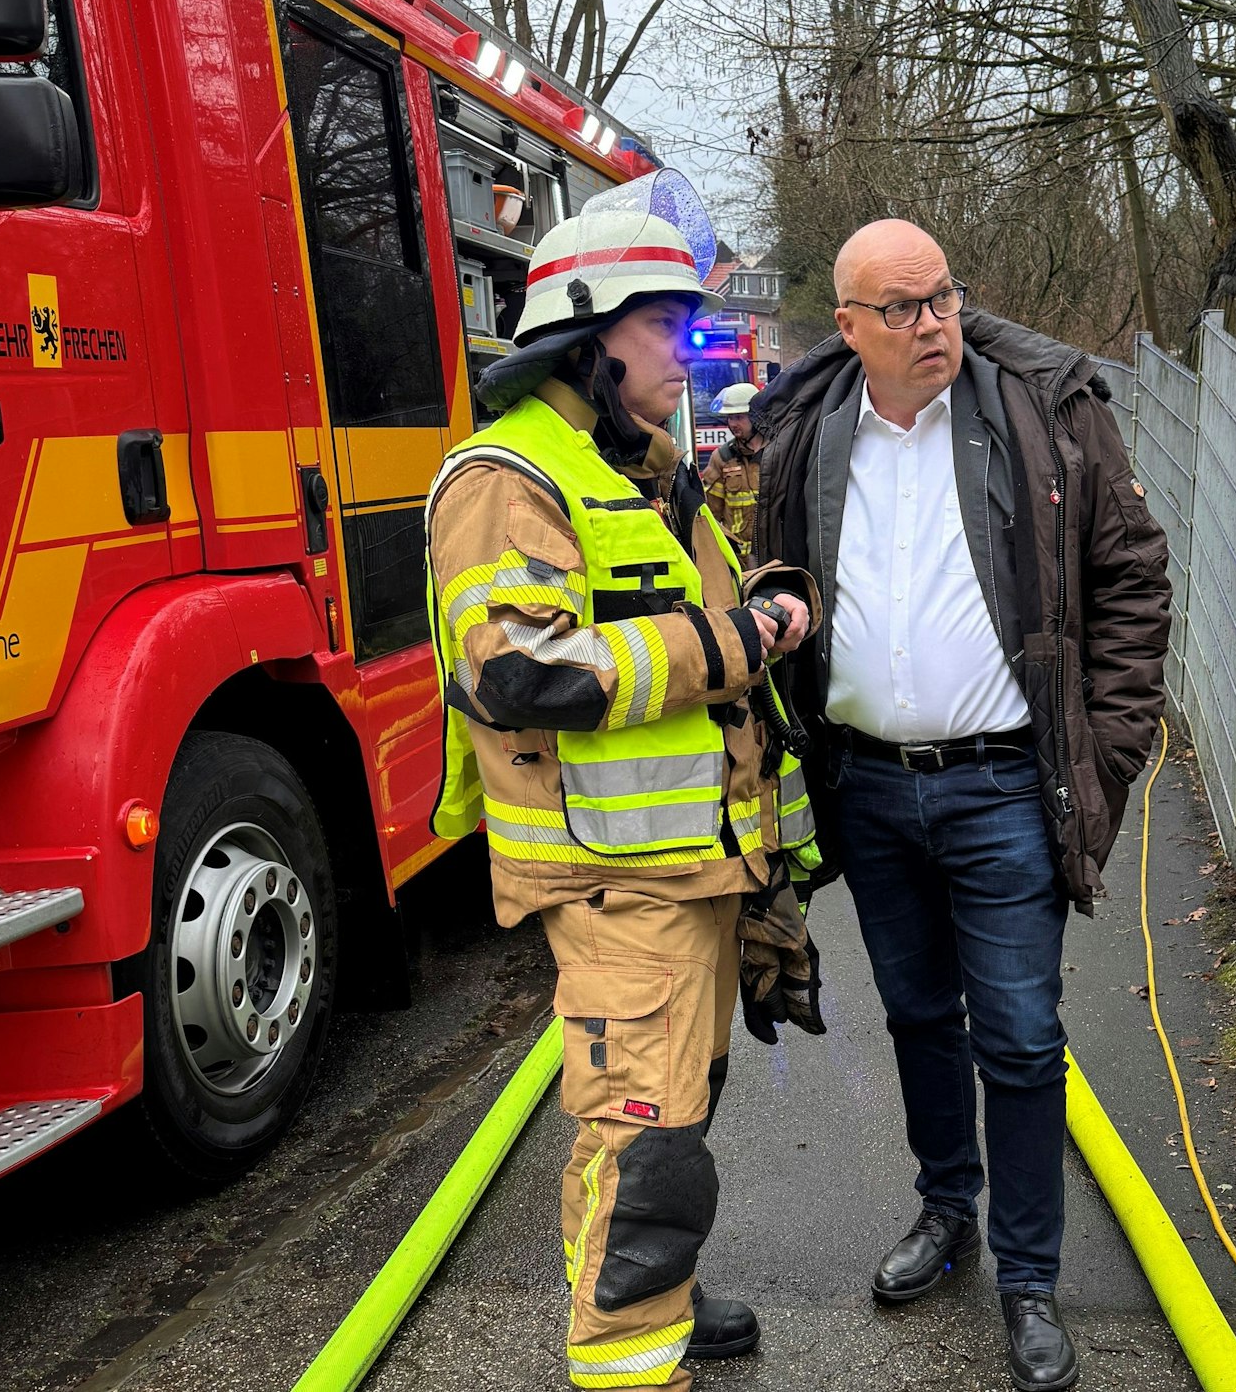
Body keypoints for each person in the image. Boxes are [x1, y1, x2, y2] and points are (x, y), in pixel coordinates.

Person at [755, 219, 1173, 1392]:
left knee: (1022, 1035)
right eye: (902, 308)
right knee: (915, 1016)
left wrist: (1112, 750)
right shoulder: (805, 428)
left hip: (1003, 783)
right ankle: (947, 1211)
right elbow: (772, 573)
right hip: (867, 785)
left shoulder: (1042, 408)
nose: (934, 323)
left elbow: (1131, 582)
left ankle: (1028, 1275)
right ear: (848, 327)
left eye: (942, 298)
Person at [424, 175, 827, 1392]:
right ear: (588, 331)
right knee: (641, 1151)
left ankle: (663, 1299)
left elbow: (673, 627)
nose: (692, 353)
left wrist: (751, 608)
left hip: (691, 871)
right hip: (614, 885)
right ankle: (626, 1361)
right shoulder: (508, 478)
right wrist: (741, 641)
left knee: (674, 1123)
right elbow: (520, 675)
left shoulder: (646, 472)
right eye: (670, 326)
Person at [701, 381, 763, 561]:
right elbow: (711, 513)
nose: (732, 424)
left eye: (739, 417)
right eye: (730, 418)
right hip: (739, 559)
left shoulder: (777, 454)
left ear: (756, 417)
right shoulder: (722, 457)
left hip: (774, 555)